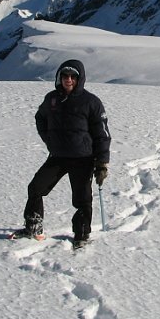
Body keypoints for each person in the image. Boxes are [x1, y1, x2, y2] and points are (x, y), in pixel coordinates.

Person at [16, 59, 110, 247]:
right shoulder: (52, 99)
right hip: (58, 156)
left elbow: (102, 134)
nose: (68, 80)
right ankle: (33, 226)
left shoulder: (91, 102)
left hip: (83, 158)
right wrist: (49, 139)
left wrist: (102, 163)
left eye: (73, 76)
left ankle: (81, 235)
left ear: (79, 79)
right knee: (35, 188)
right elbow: (40, 118)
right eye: (65, 76)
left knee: (82, 199)